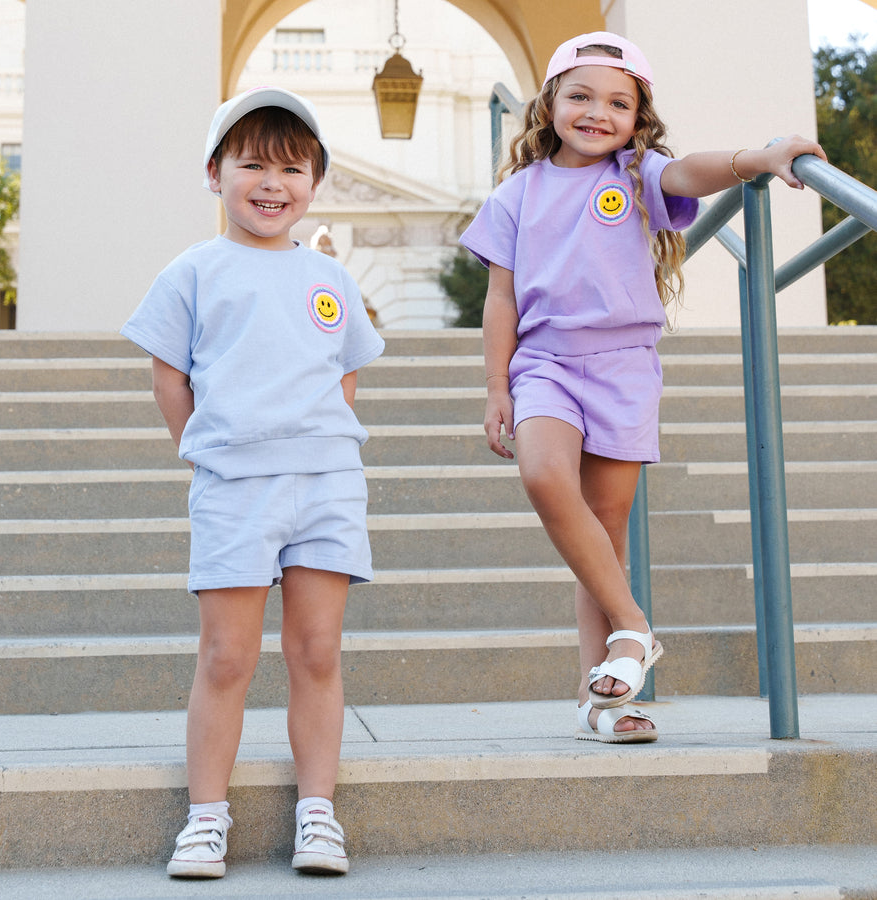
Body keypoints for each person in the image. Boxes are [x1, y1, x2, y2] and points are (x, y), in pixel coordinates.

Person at [460, 32, 826, 744]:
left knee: (606, 536)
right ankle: (634, 625)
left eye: (618, 103)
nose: (598, 113)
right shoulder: (516, 194)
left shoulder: (637, 174)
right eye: (581, 95)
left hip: (624, 364)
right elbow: (500, 299)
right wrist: (495, 387)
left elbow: (694, 171)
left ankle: (607, 700)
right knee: (542, 475)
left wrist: (763, 155)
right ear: (550, 103)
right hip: (546, 364)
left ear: (637, 119)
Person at [121, 86, 385, 877]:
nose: (273, 184)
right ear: (215, 173)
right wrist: (202, 452)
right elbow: (169, 379)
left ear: (314, 183)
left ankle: (317, 814)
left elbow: (343, 378)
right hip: (237, 484)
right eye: (253, 166)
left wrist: (325, 449)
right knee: (226, 657)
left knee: (317, 649)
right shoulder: (193, 271)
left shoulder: (328, 276)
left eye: (293, 169)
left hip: (327, 482)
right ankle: (206, 818)